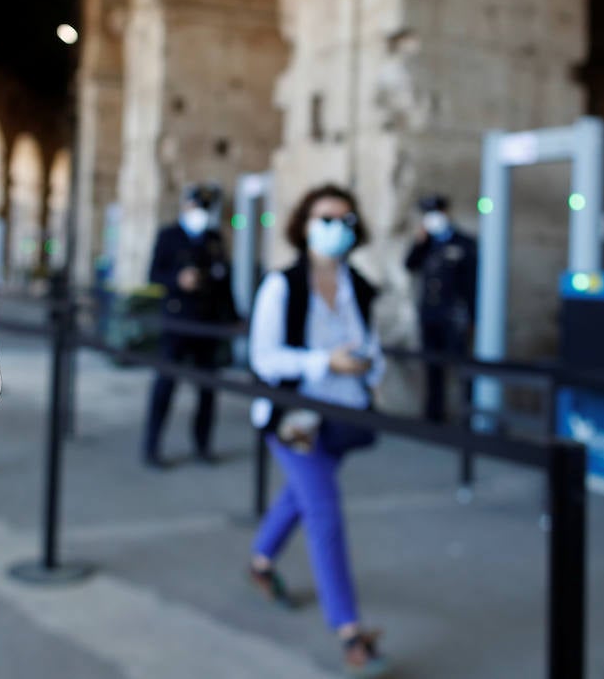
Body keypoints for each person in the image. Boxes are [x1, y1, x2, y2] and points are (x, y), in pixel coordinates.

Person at [246, 183, 389, 678]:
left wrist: (368, 369)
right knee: (324, 510)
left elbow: (372, 346)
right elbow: (263, 358)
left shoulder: (360, 286)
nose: (336, 229)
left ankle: (261, 561)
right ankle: (349, 629)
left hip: (343, 415)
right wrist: (324, 361)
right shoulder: (281, 285)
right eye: (325, 218)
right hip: (294, 418)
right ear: (304, 224)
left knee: (301, 496)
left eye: (345, 221)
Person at [141, 183, 239, 469]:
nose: (201, 214)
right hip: (178, 322)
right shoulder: (169, 236)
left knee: (207, 390)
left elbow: (224, 282)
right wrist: (178, 279)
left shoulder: (214, 238)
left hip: (207, 324)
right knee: (165, 386)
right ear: (185, 206)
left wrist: (233, 316)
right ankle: (152, 448)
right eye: (197, 207)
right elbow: (154, 275)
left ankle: (202, 445)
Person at [404, 194, 477, 423]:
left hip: (454, 314)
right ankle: (433, 415)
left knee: (462, 366)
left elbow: (472, 283)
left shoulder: (463, 242)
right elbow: (409, 265)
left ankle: (471, 416)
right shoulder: (426, 243)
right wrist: (419, 242)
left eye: (436, 212)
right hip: (429, 313)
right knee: (432, 366)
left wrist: (473, 316)